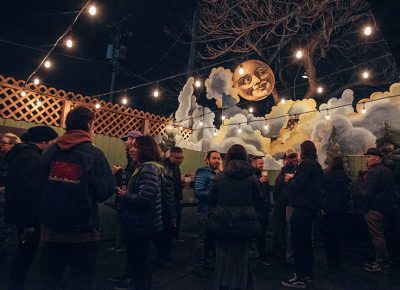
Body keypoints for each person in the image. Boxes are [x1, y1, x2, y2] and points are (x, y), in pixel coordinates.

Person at [40, 106, 115, 290]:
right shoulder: (94, 154)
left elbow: (39, 185)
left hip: (51, 230)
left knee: (51, 280)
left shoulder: (50, 151)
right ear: (89, 124)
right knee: (82, 281)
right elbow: (105, 190)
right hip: (83, 233)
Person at [5, 125, 58, 290]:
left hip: (19, 212)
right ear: (43, 141)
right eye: (52, 141)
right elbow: (29, 191)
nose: (53, 145)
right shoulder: (32, 158)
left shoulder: (20, 153)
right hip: (28, 216)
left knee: (22, 254)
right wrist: (29, 224)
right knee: (25, 255)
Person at [208, 144, 264, 290]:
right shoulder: (252, 177)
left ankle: (221, 285)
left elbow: (211, 199)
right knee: (242, 258)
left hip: (222, 222)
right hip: (245, 224)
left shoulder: (219, 177)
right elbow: (259, 200)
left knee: (222, 258)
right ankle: (240, 285)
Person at [114, 135, 163, 290]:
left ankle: (137, 285)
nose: (131, 149)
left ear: (145, 149)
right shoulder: (144, 167)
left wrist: (124, 195)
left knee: (140, 258)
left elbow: (145, 199)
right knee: (138, 257)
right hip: (141, 223)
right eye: (131, 146)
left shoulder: (148, 168)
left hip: (142, 223)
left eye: (135, 146)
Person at [281, 140, 323, 289]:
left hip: (301, 209)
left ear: (303, 151)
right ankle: (308, 274)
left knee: (299, 242)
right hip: (311, 209)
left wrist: (289, 181)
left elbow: (299, 185)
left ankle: (300, 276)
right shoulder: (317, 166)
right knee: (307, 243)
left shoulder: (305, 165)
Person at [109, 130, 142, 284]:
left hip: (134, 209)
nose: (126, 143)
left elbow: (136, 187)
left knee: (136, 248)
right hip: (129, 205)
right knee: (133, 247)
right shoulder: (132, 159)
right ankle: (130, 276)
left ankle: (132, 279)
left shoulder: (141, 163)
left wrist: (120, 173)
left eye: (128, 139)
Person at [363, 148, 395, 272]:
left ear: (378, 158)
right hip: (386, 208)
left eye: (370, 156)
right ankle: (384, 260)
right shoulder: (387, 170)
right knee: (382, 235)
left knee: (377, 237)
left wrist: (366, 208)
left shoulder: (374, 171)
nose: (367, 159)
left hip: (374, 209)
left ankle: (381, 262)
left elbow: (368, 192)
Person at [153, 146, 184, 269]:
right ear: (169, 156)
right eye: (177, 157)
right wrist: (173, 213)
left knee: (167, 234)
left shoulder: (174, 167)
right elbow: (168, 193)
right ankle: (162, 258)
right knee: (165, 234)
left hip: (168, 206)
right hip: (166, 208)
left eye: (182, 158)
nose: (180, 160)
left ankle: (164, 256)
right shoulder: (167, 169)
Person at [193, 150, 221, 276]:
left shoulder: (218, 174)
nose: (217, 160)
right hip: (204, 211)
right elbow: (198, 192)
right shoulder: (203, 173)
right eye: (214, 158)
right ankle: (198, 267)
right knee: (202, 241)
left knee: (211, 240)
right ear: (207, 160)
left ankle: (208, 263)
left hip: (214, 212)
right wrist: (214, 195)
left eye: (218, 158)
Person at [322, 156, 351, 267]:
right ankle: (337, 258)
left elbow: (322, 191)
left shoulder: (327, 175)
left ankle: (330, 258)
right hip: (339, 208)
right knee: (337, 233)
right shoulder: (342, 176)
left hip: (328, 207)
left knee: (329, 234)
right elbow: (346, 192)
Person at [270, 149, 298, 265]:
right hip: (282, 206)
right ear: (284, 160)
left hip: (289, 206)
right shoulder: (285, 173)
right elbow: (277, 190)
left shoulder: (292, 173)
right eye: (289, 158)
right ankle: (280, 253)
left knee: (287, 232)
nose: (292, 160)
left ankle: (284, 255)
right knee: (281, 230)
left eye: (293, 157)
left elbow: (278, 190)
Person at [0, 133, 21, 264]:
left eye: (4, 143)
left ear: (13, 145)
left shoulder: (14, 160)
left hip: (5, 195)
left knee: (3, 225)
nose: (1, 145)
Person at [250, 155, 272, 266]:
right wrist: (260, 183)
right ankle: (259, 255)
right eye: (260, 164)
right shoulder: (251, 176)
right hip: (256, 209)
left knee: (262, 233)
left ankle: (260, 254)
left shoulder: (262, 176)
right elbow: (254, 194)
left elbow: (266, 193)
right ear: (253, 164)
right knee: (258, 233)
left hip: (264, 209)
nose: (262, 166)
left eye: (263, 164)